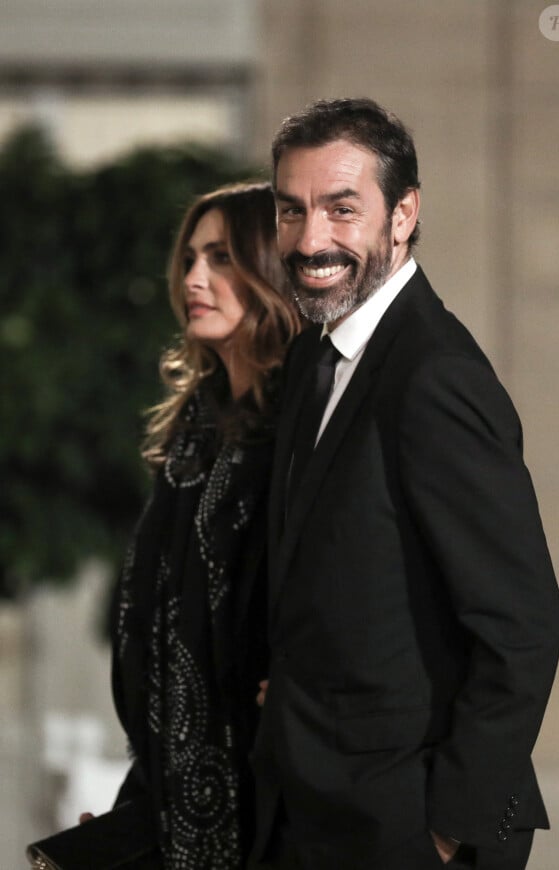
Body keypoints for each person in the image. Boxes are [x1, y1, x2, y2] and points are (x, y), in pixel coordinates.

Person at [249, 98, 559, 870]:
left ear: (403, 214)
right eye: (292, 211)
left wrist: (446, 829)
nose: (310, 239)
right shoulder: (312, 361)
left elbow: (523, 626)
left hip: (402, 826)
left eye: (341, 209)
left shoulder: (435, 376)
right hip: (310, 811)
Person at [109, 181, 301, 869]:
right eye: (190, 258)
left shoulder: (305, 425)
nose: (193, 278)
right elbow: (157, 629)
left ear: (269, 269)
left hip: (279, 802)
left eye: (220, 258)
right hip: (168, 795)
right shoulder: (195, 428)